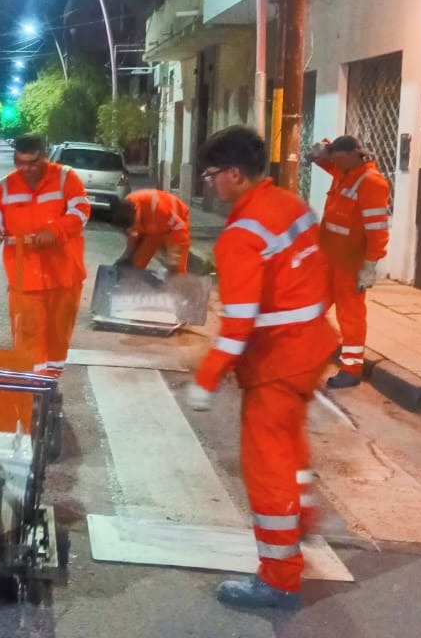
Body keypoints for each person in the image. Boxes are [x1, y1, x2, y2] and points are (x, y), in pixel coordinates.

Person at [185, 126, 337, 610]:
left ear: (235, 175)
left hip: (274, 364)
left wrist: (207, 379)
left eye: (211, 175)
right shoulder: (291, 208)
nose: (208, 184)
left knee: (267, 469)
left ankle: (279, 578)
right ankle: (304, 522)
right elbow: (322, 272)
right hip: (309, 352)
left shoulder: (241, 236)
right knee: (291, 452)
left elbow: (239, 322)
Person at [0, 134, 91, 376]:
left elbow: (81, 211)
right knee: (27, 336)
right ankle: (33, 389)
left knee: (58, 338)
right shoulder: (5, 187)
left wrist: (54, 230)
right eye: (20, 163)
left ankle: (49, 386)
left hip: (63, 274)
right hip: (24, 276)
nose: (26, 169)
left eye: (33, 163)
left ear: (45, 155)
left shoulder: (65, 178)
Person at [309, 135, 391, 389]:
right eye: (334, 160)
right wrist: (322, 149)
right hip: (329, 259)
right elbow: (322, 160)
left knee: (350, 317)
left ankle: (351, 369)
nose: (335, 163)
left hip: (350, 265)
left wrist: (369, 265)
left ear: (353, 155)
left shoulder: (371, 183)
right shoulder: (345, 172)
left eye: (339, 158)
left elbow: (378, 230)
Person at [110, 188, 192, 274]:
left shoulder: (159, 208)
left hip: (175, 227)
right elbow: (133, 236)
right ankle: (132, 283)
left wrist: (173, 255)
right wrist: (125, 257)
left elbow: (179, 227)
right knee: (136, 264)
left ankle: (178, 284)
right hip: (154, 230)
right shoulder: (126, 209)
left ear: (135, 213)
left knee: (177, 268)